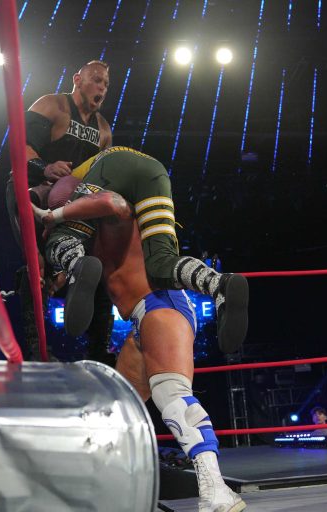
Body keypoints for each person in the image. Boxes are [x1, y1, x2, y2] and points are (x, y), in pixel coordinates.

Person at [37, 177, 246, 511]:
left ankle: (215, 490)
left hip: (162, 305)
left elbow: (113, 203)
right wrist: (51, 276)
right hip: (141, 318)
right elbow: (64, 276)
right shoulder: (85, 241)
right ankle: (107, 491)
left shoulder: (115, 212)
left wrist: (55, 214)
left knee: (172, 397)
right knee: (120, 408)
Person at [35, 146, 249, 354]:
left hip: (112, 167)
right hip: (156, 172)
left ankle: (76, 264)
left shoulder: (65, 181)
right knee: (161, 262)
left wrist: (53, 216)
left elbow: (105, 200)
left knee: (61, 234)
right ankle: (218, 284)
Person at [7, 60, 113, 362]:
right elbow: (19, 146)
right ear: (77, 79)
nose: (102, 88)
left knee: (96, 265)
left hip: (72, 203)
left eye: (106, 84)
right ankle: (35, 350)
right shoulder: (51, 105)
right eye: (96, 80)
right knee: (37, 264)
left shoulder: (103, 130)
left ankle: (99, 351)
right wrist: (45, 167)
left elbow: (101, 175)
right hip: (32, 191)